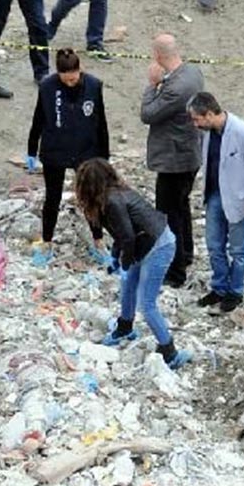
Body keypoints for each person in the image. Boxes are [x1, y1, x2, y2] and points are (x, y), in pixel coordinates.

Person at [75, 158, 192, 370]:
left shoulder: (112, 201)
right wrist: (116, 256)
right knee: (127, 287)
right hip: (144, 242)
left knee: (147, 304)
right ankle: (125, 327)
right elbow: (121, 235)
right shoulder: (109, 197)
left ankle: (170, 352)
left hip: (159, 245)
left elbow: (127, 237)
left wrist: (125, 262)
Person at [26, 48, 110, 266]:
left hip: (86, 150)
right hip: (56, 149)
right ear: (59, 73)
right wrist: (31, 150)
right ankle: (47, 241)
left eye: (74, 78)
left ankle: (98, 241)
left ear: (79, 70)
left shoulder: (93, 85)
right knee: (52, 198)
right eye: (66, 79)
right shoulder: (47, 87)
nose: (71, 82)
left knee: (91, 197)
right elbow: (38, 119)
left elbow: (101, 122)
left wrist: (104, 155)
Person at [188, 92, 244, 313]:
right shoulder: (209, 134)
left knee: (238, 249)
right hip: (215, 194)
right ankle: (220, 287)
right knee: (214, 246)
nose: (195, 124)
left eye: (197, 119)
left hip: (238, 198)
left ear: (210, 114)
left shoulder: (241, 132)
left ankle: (236, 291)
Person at [139, 34, 204, 288]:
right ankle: (186, 253)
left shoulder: (175, 88)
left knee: (169, 215)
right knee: (181, 206)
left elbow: (148, 114)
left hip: (174, 159)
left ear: (157, 55)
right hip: (189, 153)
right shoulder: (193, 72)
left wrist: (152, 85)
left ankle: (175, 271)